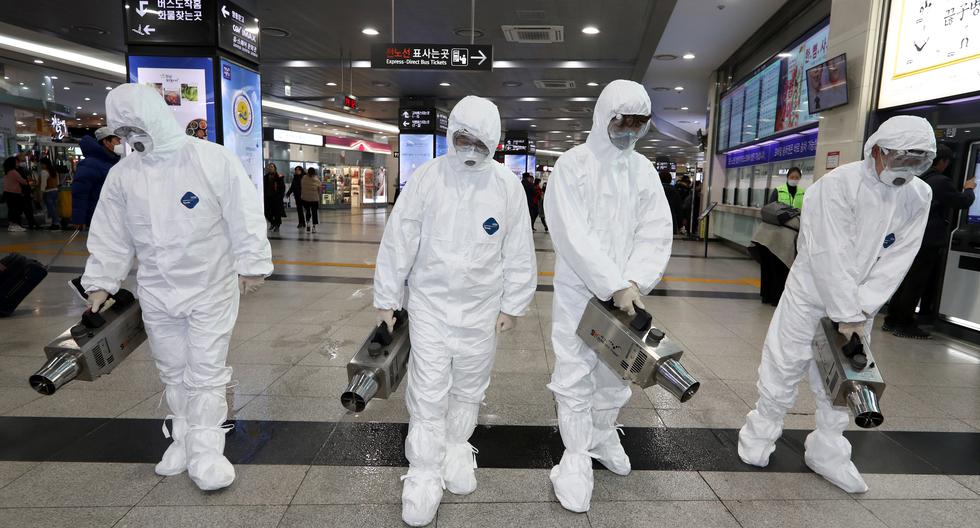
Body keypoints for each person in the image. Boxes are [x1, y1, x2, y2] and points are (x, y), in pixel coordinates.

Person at [80, 83, 273, 491]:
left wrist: (251, 264)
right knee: (172, 369)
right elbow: (111, 234)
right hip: (156, 290)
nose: (131, 139)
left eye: (136, 128)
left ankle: (207, 449)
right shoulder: (123, 176)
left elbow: (244, 212)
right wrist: (100, 282)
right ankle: (183, 438)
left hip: (209, 287)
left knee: (204, 371)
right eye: (124, 132)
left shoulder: (210, 160)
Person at [738, 115, 935, 494]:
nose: (906, 171)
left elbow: (899, 257)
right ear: (877, 150)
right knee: (785, 362)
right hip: (811, 294)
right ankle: (759, 435)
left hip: (860, 307)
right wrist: (845, 312)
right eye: (901, 160)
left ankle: (828, 451)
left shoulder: (918, 195)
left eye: (917, 163)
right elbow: (828, 251)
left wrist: (861, 310)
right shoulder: (837, 185)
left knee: (846, 377)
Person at [373, 95, 536, 526]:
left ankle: (456, 447)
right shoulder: (427, 179)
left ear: (495, 143)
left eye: (479, 143)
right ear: (451, 135)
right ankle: (424, 472)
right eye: (463, 139)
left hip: (482, 310)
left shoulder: (506, 186)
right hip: (429, 306)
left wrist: (514, 304)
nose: (469, 149)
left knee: (469, 385)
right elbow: (399, 239)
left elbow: (518, 248)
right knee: (428, 391)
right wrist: (389, 299)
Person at [545, 79, 673, 513]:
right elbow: (571, 232)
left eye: (640, 125)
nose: (630, 132)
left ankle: (601, 436)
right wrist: (612, 282)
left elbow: (655, 230)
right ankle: (575, 457)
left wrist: (634, 281)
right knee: (575, 372)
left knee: (616, 371)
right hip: (580, 293)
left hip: (626, 296)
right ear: (605, 118)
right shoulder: (573, 165)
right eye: (624, 123)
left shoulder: (642, 171)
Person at [885, 144, 975, 338]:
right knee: (916, 283)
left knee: (905, 280)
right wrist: (969, 189)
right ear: (942, 162)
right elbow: (962, 202)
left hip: (911, 238)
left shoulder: (916, 179)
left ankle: (891, 319)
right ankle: (905, 324)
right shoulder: (941, 182)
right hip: (928, 241)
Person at [72, 127, 122, 230]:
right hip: (98, 217)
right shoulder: (90, 163)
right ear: (106, 141)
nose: (119, 143)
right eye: (117, 140)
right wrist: (79, 218)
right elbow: (80, 193)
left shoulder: (113, 161)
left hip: (113, 216)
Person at [3, 156, 28, 232]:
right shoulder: (13, 172)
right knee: (16, 209)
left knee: (11, 209)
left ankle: (11, 225)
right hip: (14, 193)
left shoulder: (7, 172)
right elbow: (23, 181)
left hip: (8, 193)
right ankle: (15, 225)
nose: (17, 163)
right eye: (16, 162)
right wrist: (28, 181)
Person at [38, 158, 60, 230]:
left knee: (51, 209)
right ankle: (55, 223)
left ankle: (56, 223)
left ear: (44, 164)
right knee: (54, 208)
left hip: (49, 192)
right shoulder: (53, 171)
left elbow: (43, 184)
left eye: (41, 164)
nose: (40, 165)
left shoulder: (44, 172)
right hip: (55, 191)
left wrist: (41, 193)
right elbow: (58, 182)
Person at [263, 163, 285, 232]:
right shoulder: (265, 177)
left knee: (277, 213)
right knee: (267, 213)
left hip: (276, 198)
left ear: (275, 168)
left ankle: (277, 225)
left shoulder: (279, 176)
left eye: (272, 167)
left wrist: (280, 196)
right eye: (269, 167)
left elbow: (282, 187)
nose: (270, 168)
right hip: (268, 197)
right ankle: (272, 223)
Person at [301, 166, 322, 233]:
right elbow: (319, 190)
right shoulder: (316, 180)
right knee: (314, 213)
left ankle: (308, 223)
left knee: (307, 211)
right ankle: (314, 227)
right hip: (314, 199)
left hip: (305, 198)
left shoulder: (304, 178)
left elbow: (302, 186)